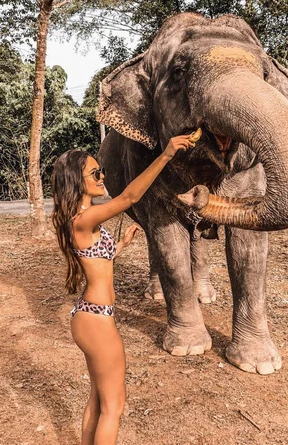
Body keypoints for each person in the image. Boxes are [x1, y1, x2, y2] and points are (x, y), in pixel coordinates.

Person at [51, 134, 195, 445]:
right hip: (97, 319)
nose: (102, 177)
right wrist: (166, 154)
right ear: (77, 181)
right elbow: (130, 197)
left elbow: (94, 259)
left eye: (101, 171)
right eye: (95, 174)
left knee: (98, 400)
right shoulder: (84, 219)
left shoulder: (82, 222)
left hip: (88, 315)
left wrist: (119, 246)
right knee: (114, 407)